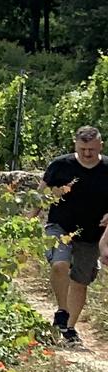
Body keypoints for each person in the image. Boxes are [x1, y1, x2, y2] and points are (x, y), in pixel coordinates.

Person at [43, 125, 108, 345]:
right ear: (75, 146)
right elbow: (39, 194)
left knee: (80, 281)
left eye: (91, 149)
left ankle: (69, 330)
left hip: (92, 234)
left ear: (100, 144)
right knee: (59, 265)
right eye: (82, 149)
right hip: (59, 226)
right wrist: (28, 219)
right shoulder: (60, 166)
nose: (87, 153)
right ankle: (62, 312)